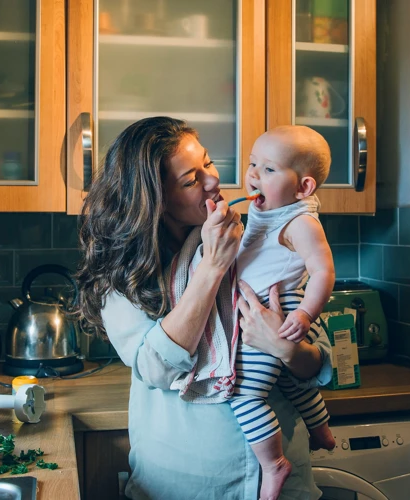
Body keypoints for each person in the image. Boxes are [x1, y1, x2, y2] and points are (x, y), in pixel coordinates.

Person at [74, 116, 332, 499]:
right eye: (191, 180)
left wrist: (287, 348)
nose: (213, 181)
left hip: (282, 487)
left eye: (208, 163)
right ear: (157, 201)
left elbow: (321, 361)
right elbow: (155, 369)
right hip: (184, 486)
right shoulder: (123, 277)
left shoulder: (253, 235)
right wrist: (211, 268)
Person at [227, 126, 337, 499]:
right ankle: (321, 429)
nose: (254, 175)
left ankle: (273, 464)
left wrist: (305, 315)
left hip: (283, 309)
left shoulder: (300, 222)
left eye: (269, 170)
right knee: (289, 383)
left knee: (244, 394)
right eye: (252, 164)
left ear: (303, 188)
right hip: (269, 308)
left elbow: (323, 271)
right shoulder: (271, 211)